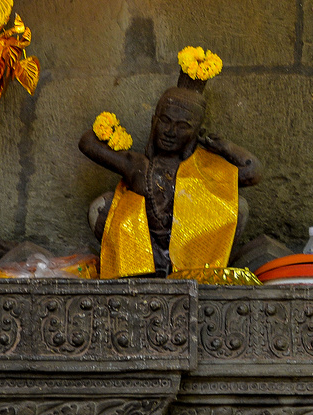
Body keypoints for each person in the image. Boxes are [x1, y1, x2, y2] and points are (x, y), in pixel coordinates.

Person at [78, 60, 261, 276]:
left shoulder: (205, 167)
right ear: (154, 122)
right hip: (145, 256)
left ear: (195, 132)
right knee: (101, 206)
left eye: (183, 126)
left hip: (193, 258)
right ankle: (146, 271)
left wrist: (223, 146)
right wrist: (110, 133)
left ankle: (200, 271)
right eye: (165, 121)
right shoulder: (139, 166)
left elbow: (252, 172)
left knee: (237, 206)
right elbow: (87, 143)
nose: (170, 131)